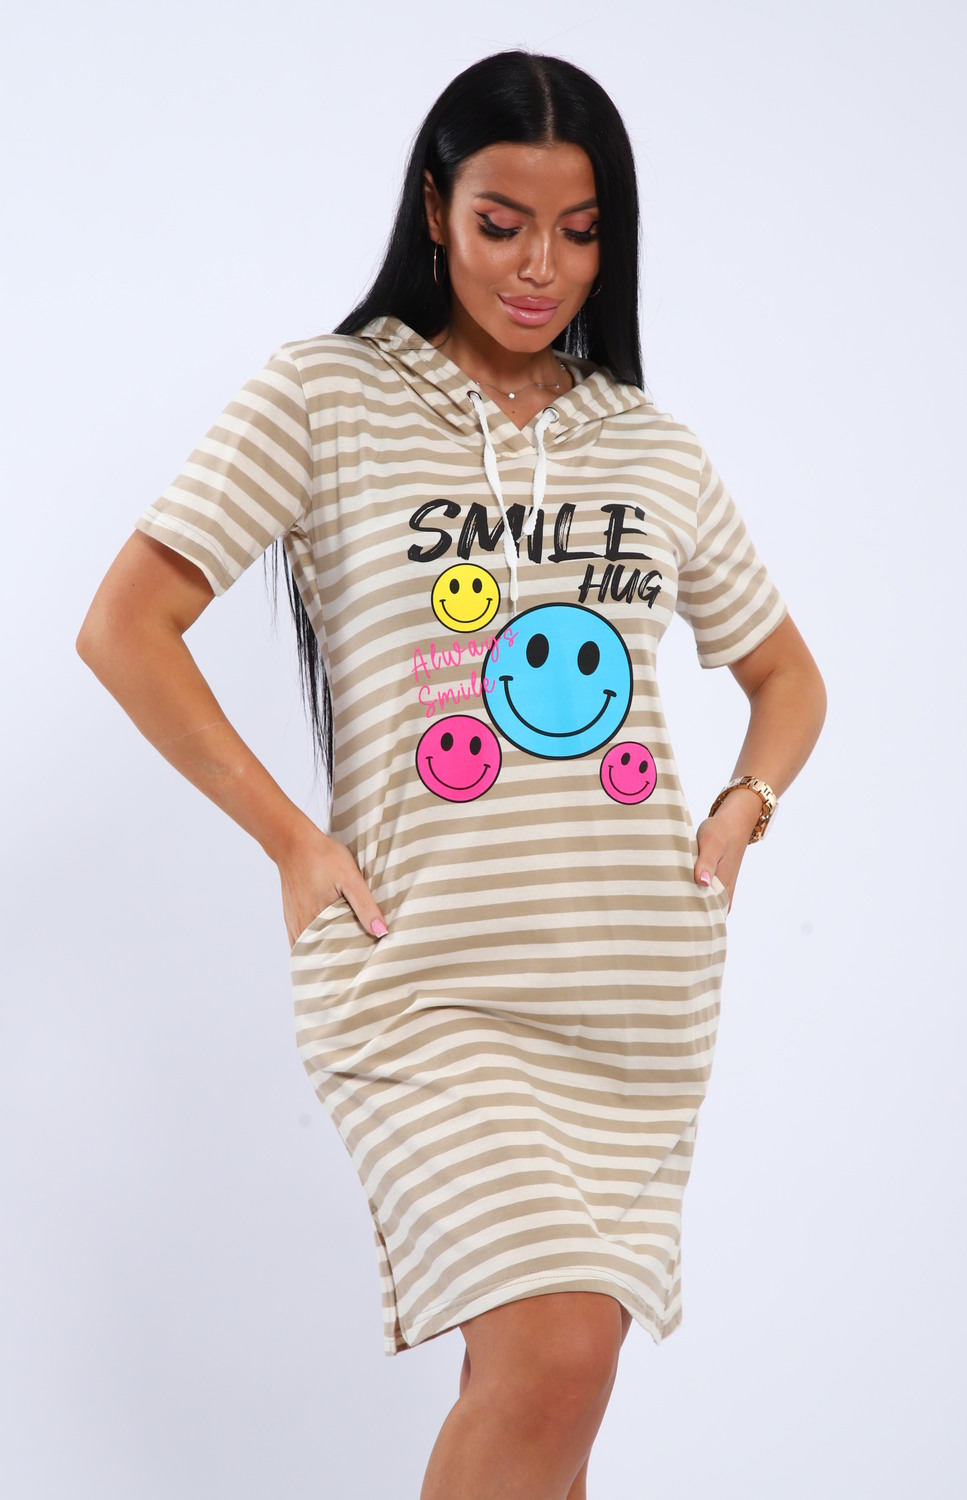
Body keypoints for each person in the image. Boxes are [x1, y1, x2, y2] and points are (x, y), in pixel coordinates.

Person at [76, 47, 827, 1500]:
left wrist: (744, 812)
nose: (541, 267)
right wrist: (293, 841)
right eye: (502, 223)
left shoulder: (650, 446)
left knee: (549, 1389)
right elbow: (126, 624)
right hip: (422, 974)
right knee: (554, 1353)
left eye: (580, 231)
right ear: (435, 210)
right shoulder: (325, 396)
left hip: (631, 990)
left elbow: (788, 677)